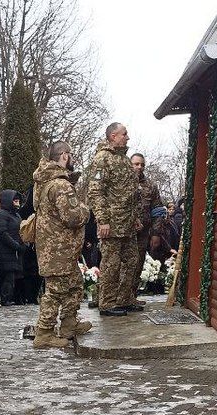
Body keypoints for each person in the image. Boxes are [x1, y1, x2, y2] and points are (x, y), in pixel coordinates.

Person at [33, 141, 92, 348]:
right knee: (56, 291)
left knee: (75, 284)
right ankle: (44, 332)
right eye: (71, 155)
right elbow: (73, 217)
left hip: (59, 248)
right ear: (65, 156)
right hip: (58, 248)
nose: (72, 159)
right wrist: (86, 209)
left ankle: (69, 323)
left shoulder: (45, 182)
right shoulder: (60, 185)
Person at [87, 122, 140, 317]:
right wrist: (103, 220)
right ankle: (107, 302)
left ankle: (124, 299)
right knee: (111, 263)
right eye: (124, 134)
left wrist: (134, 218)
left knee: (132, 260)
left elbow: (130, 193)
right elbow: (96, 191)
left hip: (128, 223)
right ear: (113, 136)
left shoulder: (124, 160)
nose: (128, 137)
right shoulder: (102, 159)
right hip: (112, 223)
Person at [128, 153, 163, 306]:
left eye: (142, 164)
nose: (139, 167)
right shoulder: (122, 182)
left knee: (138, 263)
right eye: (136, 164)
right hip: (124, 232)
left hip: (143, 233)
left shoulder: (150, 186)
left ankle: (131, 296)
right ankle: (113, 297)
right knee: (121, 264)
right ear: (130, 164)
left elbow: (157, 211)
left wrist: (156, 233)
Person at [0, 189, 25, 306]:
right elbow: (3, 233)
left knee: (14, 276)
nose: (17, 203)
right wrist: (16, 245)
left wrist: (23, 243)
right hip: (6, 251)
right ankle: (5, 298)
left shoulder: (16, 214)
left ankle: (13, 298)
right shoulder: (2, 214)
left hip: (15, 251)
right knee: (8, 276)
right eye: (14, 200)